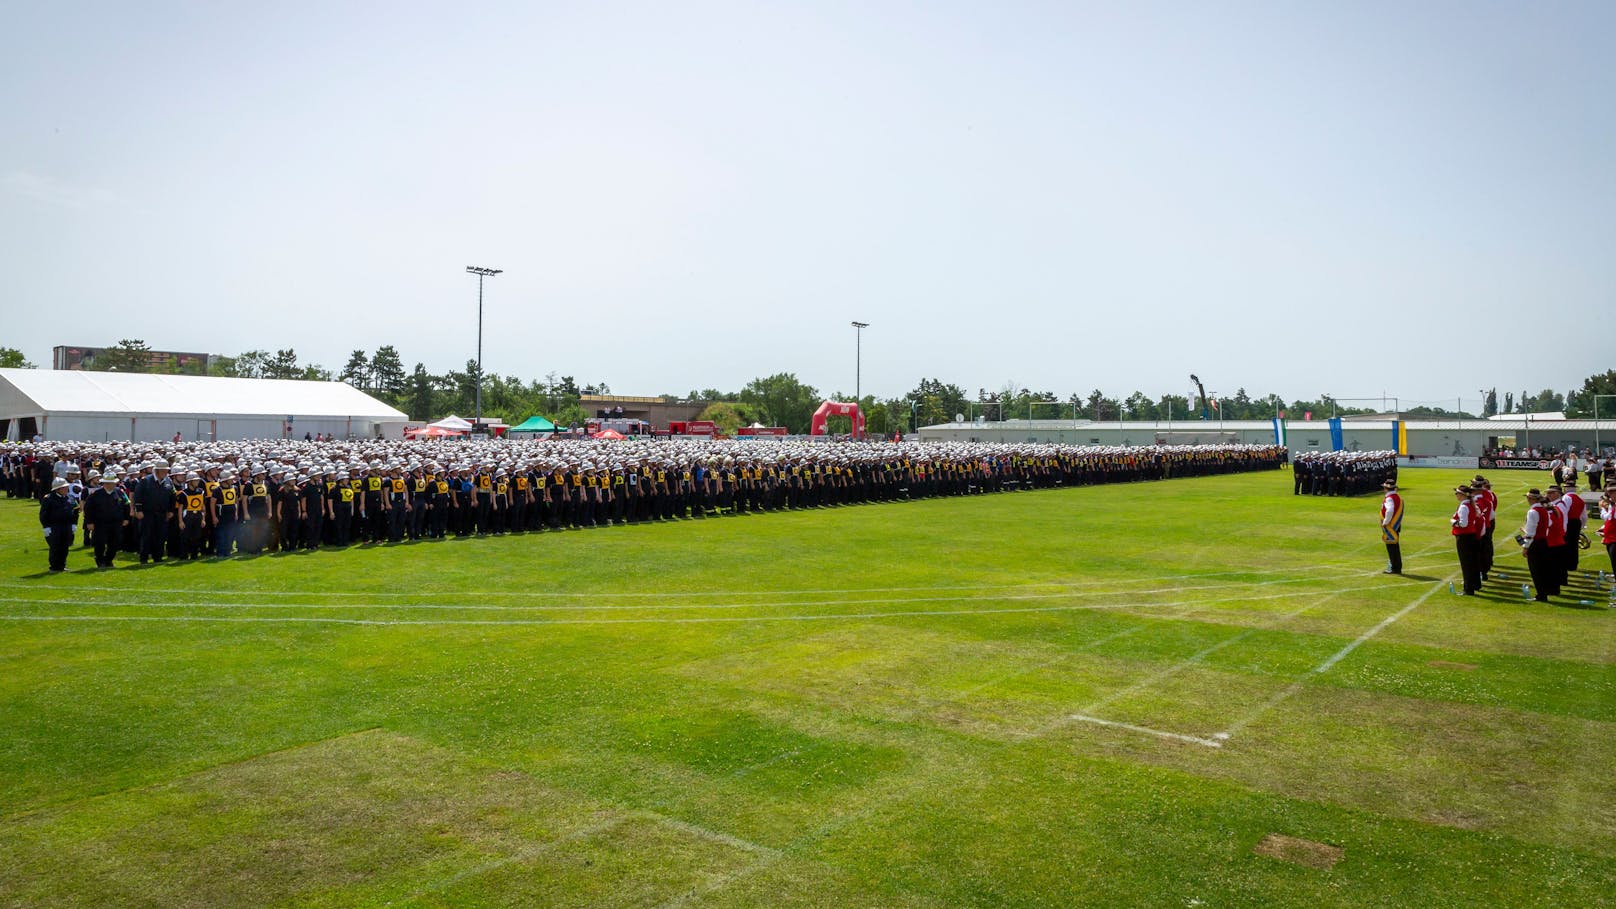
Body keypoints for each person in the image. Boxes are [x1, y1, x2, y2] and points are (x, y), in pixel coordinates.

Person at [84, 473, 128, 568]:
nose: (110, 485)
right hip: (100, 523)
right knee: (100, 543)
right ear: (103, 483)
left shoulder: (119, 492)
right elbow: (88, 509)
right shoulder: (95, 494)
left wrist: (126, 518)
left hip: (116, 523)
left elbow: (126, 505)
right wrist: (89, 522)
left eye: (112, 483)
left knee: (114, 543)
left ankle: (109, 560)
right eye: (107, 483)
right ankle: (100, 561)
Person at [1520, 489, 1555, 602]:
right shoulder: (1544, 510)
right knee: (1542, 569)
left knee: (1536, 570)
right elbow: (1549, 524)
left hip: (1535, 543)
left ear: (1531, 499)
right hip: (1543, 541)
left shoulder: (1533, 511)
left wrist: (1525, 547)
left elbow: (1530, 533)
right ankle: (1543, 592)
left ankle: (1541, 594)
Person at [40, 477, 78, 571]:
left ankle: (62, 565)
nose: (66, 489)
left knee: (65, 547)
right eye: (64, 487)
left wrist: (74, 523)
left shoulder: (69, 497)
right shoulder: (48, 499)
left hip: (67, 526)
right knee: (55, 547)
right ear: (57, 489)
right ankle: (54, 566)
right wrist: (46, 527)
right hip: (54, 527)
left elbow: (74, 512)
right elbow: (43, 514)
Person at [1450, 485, 1482, 595]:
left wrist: (1453, 522)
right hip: (1471, 535)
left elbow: (1463, 523)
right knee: (1472, 562)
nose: (1456, 495)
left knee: (1466, 563)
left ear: (1462, 495)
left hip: (1464, 537)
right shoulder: (1470, 504)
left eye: (1457, 493)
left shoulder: (1464, 506)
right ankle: (1475, 584)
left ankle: (1468, 588)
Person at [1379, 479, 1403, 574]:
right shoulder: (1396, 496)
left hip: (1391, 526)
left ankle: (1395, 568)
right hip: (1395, 525)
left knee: (1392, 548)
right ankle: (1397, 567)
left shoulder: (1389, 498)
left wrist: (1385, 522)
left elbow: (1390, 510)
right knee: (1395, 548)